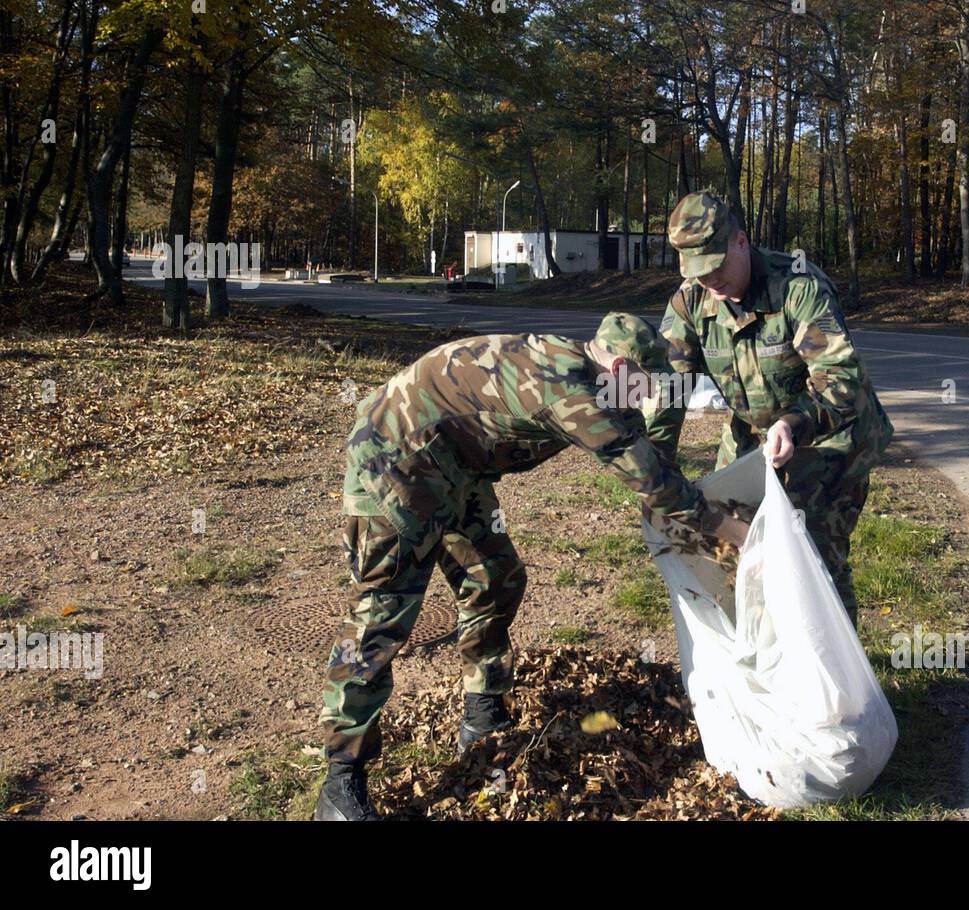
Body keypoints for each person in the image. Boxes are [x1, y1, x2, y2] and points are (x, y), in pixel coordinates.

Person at [315, 312, 748, 820]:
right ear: (622, 366)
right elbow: (641, 471)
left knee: (496, 578)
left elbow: (643, 449)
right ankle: (341, 778)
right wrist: (734, 531)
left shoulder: (593, 373)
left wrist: (681, 491)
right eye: (643, 388)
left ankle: (482, 707)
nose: (644, 399)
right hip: (395, 455)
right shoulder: (568, 391)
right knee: (382, 617)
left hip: (454, 460)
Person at [646, 190, 893, 626]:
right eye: (699, 272)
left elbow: (841, 379)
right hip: (752, 441)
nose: (711, 281)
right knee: (726, 545)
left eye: (717, 265)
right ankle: (763, 667)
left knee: (810, 561)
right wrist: (653, 467)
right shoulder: (690, 301)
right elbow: (669, 385)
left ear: (741, 242)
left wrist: (792, 423)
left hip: (828, 439)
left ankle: (838, 687)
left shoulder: (798, 287)